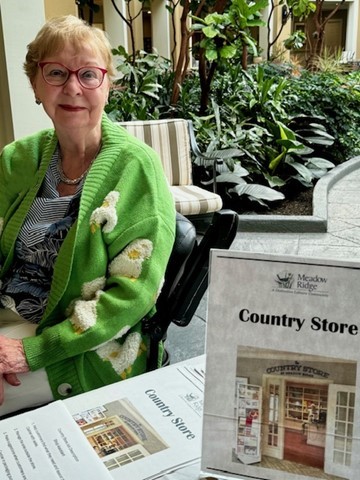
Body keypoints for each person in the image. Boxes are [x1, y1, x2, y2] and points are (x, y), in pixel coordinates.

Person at [0, 15, 175, 416]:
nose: (73, 87)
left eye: (89, 75)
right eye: (57, 72)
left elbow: (132, 297)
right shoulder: (17, 159)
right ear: (35, 85)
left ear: (108, 86)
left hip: (83, 343)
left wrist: (27, 353)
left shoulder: (136, 168)